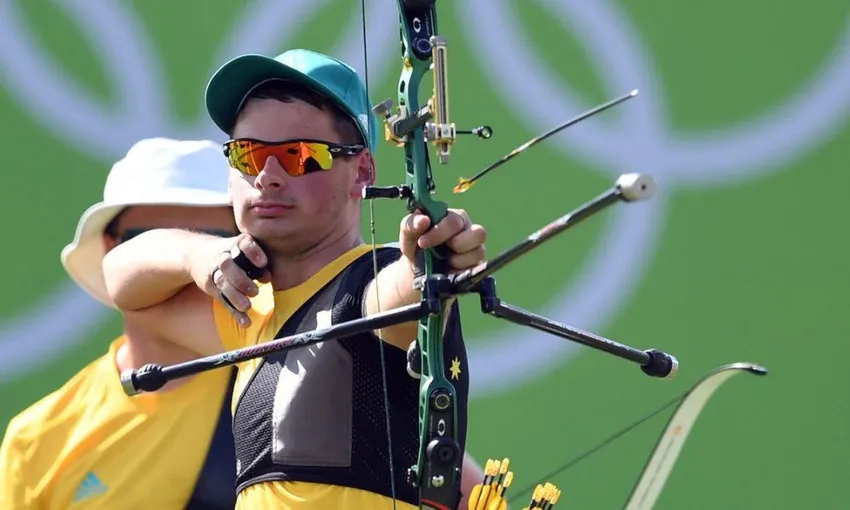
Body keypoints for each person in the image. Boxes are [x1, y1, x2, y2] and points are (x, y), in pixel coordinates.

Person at [101, 49, 488, 509]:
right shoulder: (249, 311)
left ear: (362, 170)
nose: (267, 176)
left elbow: (410, 284)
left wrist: (436, 254)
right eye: (247, 155)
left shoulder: (371, 290)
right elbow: (123, 284)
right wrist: (200, 255)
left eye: (298, 156)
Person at [0, 138, 240, 509]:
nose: (178, 267)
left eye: (211, 244)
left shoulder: (293, 384)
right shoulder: (35, 442)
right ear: (112, 251)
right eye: (148, 245)